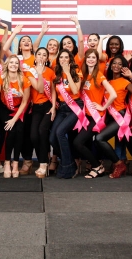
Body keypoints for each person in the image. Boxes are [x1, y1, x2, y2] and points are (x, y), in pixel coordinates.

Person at [72, 49, 118, 179]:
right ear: (85, 59)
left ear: (97, 60)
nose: (91, 59)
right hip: (86, 115)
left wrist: (103, 106)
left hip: (96, 116)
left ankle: (97, 166)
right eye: (89, 57)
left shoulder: (99, 75)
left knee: (78, 142)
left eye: (93, 57)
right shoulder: (83, 74)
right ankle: (96, 165)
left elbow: (113, 94)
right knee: (81, 142)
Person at [103, 56, 132, 179]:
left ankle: (119, 164)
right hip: (110, 116)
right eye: (114, 63)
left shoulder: (124, 81)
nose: (116, 65)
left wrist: (131, 77)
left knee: (100, 138)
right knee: (117, 141)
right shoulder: (107, 81)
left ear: (123, 67)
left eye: (120, 64)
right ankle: (119, 163)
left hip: (120, 115)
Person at [49, 49, 82, 179]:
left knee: (60, 132)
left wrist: (67, 73)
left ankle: (68, 166)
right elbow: (53, 91)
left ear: (70, 59)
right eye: (61, 57)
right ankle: (69, 162)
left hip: (75, 106)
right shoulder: (56, 74)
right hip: (62, 108)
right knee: (52, 138)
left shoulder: (77, 72)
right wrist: (53, 107)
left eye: (66, 57)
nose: (63, 59)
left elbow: (75, 90)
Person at [0, 54, 31, 178]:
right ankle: (7, 162)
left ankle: (15, 163)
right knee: (11, 131)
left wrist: (14, 119)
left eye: (16, 63)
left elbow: (24, 102)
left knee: (19, 131)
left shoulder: (24, 79)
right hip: (4, 109)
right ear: (7, 64)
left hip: (19, 110)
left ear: (19, 66)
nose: (13, 65)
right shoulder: (1, 78)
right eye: (11, 62)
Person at [26, 48, 57, 178]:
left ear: (47, 58)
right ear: (35, 56)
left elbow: (53, 90)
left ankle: (43, 164)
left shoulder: (50, 72)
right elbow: (39, 89)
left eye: (44, 55)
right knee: (33, 136)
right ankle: (43, 160)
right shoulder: (29, 71)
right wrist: (38, 74)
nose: (41, 57)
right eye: (39, 54)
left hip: (48, 106)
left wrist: (54, 107)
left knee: (42, 132)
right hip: (36, 108)